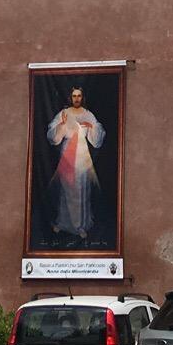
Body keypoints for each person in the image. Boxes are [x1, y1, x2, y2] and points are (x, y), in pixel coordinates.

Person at [46, 86, 106, 243]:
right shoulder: (64, 114)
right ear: (70, 98)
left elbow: (97, 137)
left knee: (80, 190)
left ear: (82, 97)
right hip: (67, 155)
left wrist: (92, 127)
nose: (77, 98)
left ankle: (80, 225)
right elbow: (53, 136)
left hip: (82, 156)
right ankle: (63, 222)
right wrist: (61, 125)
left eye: (79, 96)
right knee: (66, 189)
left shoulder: (88, 114)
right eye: (74, 96)